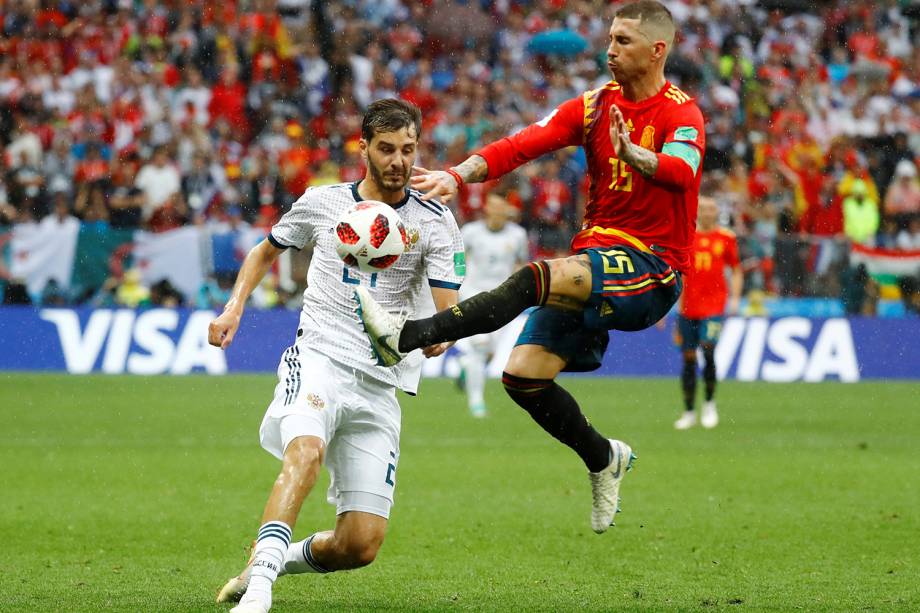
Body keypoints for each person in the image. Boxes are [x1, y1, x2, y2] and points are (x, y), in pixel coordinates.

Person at [355, 0, 704, 534]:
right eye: (610, 38)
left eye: (624, 42)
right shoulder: (591, 107)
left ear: (658, 50)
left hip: (651, 267)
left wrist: (639, 157)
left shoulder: (682, 113)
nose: (610, 49)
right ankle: (603, 456)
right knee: (522, 378)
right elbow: (523, 144)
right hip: (597, 256)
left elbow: (682, 171)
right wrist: (458, 175)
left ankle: (405, 337)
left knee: (536, 277)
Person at [208, 99, 463, 613]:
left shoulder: (436, 222)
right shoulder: (323, 202)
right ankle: (259, 591)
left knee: (359, 545)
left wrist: (440, 335)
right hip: (319, 355)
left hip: (380, 381)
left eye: (408, 150)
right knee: (304, 451)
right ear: (363, 146)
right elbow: (265, 251)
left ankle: (268, 561)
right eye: (387, 149)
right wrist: (233, 308)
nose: (398, 161)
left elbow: (446, 314)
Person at [455, 193, 529, 417]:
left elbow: (521, 263)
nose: (497, 211)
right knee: (480, 345)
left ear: (508, 210)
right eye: (493, 206)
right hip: (472, 293)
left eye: (501, 207)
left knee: (489, 353)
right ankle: (476, 403)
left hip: (501, 298)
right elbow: (457, 259)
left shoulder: (518, 235)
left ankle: (467, 368)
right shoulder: (470, 232)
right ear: (486, 207)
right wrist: (456, 284)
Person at [672, 197, 741, 430]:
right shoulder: (687, 237)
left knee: (708, 349)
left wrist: (734, 299)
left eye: (712, 209)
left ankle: (710, 404)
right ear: (697, 211)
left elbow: (736, 269)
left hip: (714, 306)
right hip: (688, 307)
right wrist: (670, 306)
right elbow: (678, 273)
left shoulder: (726, 238)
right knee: (689, 358)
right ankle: (689, 411)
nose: (708, 213)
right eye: (704, 209)